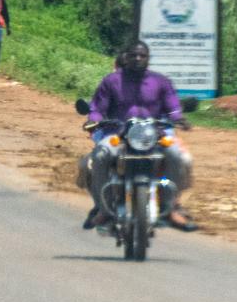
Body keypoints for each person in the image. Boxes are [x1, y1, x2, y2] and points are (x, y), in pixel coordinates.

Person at [81, 41, 197, 231]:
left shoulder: (161, 81)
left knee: (177, 157)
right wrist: (93, 120)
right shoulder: (111, 81)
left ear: (148, 59)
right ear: (126, 57)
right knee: (100, 156)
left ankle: (172, 207)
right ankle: (103, 209)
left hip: (153, 135)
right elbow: (97, 108)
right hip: (118, 134)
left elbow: (172, 106)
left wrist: (178, 118)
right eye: (133, 55)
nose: (137, 59)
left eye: (142, 56)